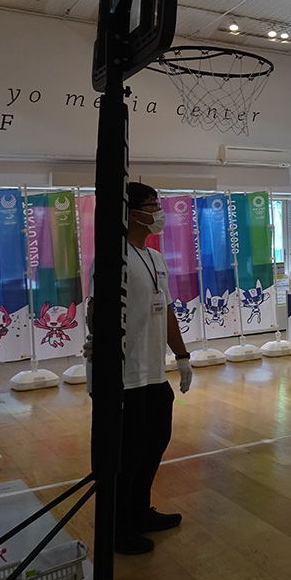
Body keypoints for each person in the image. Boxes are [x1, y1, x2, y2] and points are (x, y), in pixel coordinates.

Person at [87, 182, 193, 555]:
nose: (159, 212)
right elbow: (96, 311)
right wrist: (100, 344)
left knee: (155, 441)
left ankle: (139, 511)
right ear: (132, 213)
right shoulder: (112, 258)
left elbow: (166, 311)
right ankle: (117, 527)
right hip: (122, 374)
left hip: (152, 372)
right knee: (127, 452)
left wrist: (182, 356)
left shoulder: (155, 258)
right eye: (152, 205)